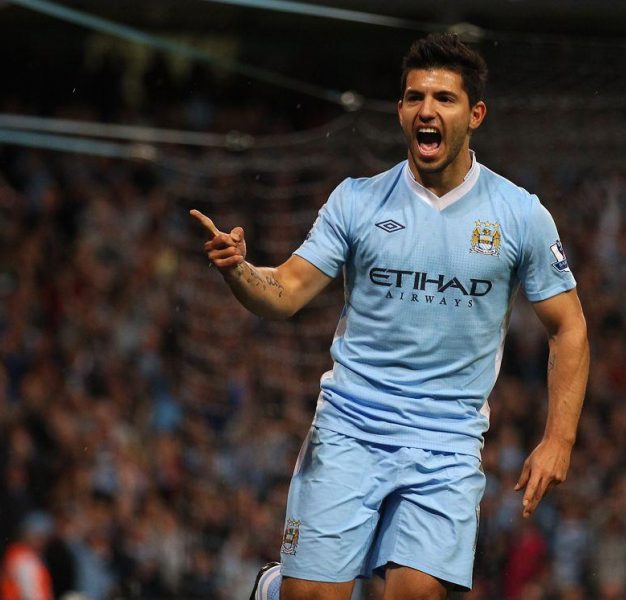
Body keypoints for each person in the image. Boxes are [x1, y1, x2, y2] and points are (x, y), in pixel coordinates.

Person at [192, 32, 589, 600]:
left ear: (475, 114)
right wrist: (239, 269)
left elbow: (568, 325)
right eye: (414, 97)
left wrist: (560, 440)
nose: (426, 110)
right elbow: (284, 292)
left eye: (444, 99)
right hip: (350, 426)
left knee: (417, 594)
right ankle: (279, 588)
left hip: (447, 439)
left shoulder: (519, 214)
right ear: (401, 110)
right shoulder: (357, 200)